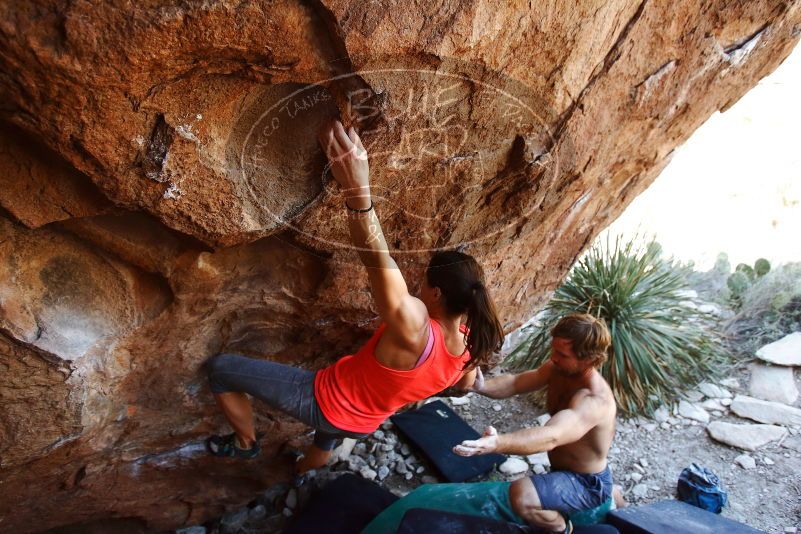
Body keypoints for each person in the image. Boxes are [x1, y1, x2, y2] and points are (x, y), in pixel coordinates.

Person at [204, 119, 504, 473]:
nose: (417, 287)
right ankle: (301, 476)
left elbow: (377, 257)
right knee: (326, 437)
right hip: (362, 423)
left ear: (436, 294)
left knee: (220, 369)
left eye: (423, 283)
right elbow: (464, 384)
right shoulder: (468, 345)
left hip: (325, 401)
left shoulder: (417, 328)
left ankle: (245, 444)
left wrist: (357, 190)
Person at [452, 313, 617, 534]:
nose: (554, 357)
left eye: (562, 354)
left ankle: (562, 529)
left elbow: (552, 436)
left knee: (522, 495)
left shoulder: (593, 401)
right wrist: (481, 387)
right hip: (562, 469)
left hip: (586, 483)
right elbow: (517, 383)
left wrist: (496, 443)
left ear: (590, 360)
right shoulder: (559, 368)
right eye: (554, 349)